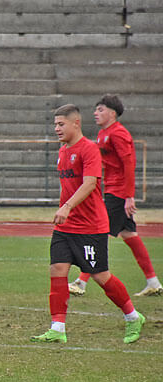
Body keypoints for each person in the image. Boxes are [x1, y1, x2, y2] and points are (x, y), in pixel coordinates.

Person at [31, 104, 145, 345]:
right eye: (55, 124)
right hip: (66, 227)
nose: (56, 128)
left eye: (61, 124)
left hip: (91, 227)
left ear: (76, 123)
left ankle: (133, 317)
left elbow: (90, 183)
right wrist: (65, 210)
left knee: (100, 276)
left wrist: (66, 207)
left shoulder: (89, 149)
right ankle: (57, 328)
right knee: (57, 269)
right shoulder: (63, 150)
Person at [69, 94, 160, 297]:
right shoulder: (103, 133)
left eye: (100, 109)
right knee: (129, 235)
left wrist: (129, 196)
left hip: (118, 193)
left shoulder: (118, 133)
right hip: (112, 190)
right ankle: (153, 282)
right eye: (96, 109)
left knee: (98, 233)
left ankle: (81, 282)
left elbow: (129, 164)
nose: (95, 113)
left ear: (112, 113)